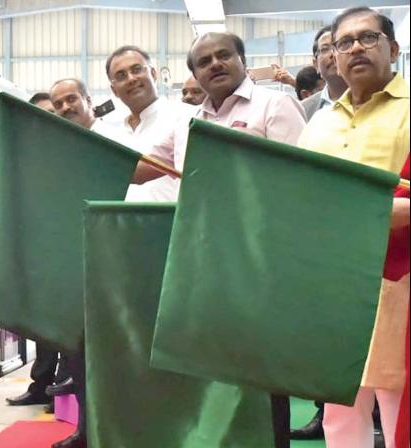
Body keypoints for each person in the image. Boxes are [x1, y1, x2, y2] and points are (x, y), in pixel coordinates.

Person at [132, 31, 306, 448]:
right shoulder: (186, 121)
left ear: (242, 60)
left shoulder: (275, 105)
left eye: (223, 55)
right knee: (214, 366)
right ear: (194, 74)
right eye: (204, 61)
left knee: (262, 371)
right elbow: (142, 166)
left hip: (261, 260)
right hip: (204, 259)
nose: (215, 64)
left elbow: (303, 179)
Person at [297, 7, 409, 447]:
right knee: (339, 413)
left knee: (398, 404)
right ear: (334, 58)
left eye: (368, 38)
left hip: (396, 279)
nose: (355, 48)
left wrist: (363, 215)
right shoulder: (321, 121)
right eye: (344, 43)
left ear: (394, 49)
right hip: (330, 284)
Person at [291, 23, 358, 441]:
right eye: (326, 48)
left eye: (344, 45)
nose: (334, 54)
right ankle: (322, 413)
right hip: (327, 256)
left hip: (392, 259)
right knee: (333, 366)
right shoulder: (311, 113)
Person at [46, 77, 112, 448]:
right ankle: (87, 430)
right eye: (59, 103)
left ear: (88, 100)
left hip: (112, 265)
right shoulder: (59, 148)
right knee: (80, 358)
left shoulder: (114, 141)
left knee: (111, 359)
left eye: (72, 99)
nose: (66, 107)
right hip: (73, 265)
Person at [5, 92, 66, 413]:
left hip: (65, 249)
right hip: (37, 251)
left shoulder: (71, 150)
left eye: (50, 112)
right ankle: (41, 386)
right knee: (41, 328)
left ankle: (63, 391)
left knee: (66, 327)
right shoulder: (26, 157)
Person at [105, 45, 188, 202]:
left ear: (153, 74)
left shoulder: (184, 117)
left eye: (136, 70)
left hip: (172, 222)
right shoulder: (113, 134)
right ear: (114, 90)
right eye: (121, 76)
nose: (131, 79)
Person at [302, 24, 350, 121]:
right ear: (316, 64)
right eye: (325, 49)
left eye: (340, 45)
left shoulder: (375, 100)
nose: (333, 54)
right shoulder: (303, 109)